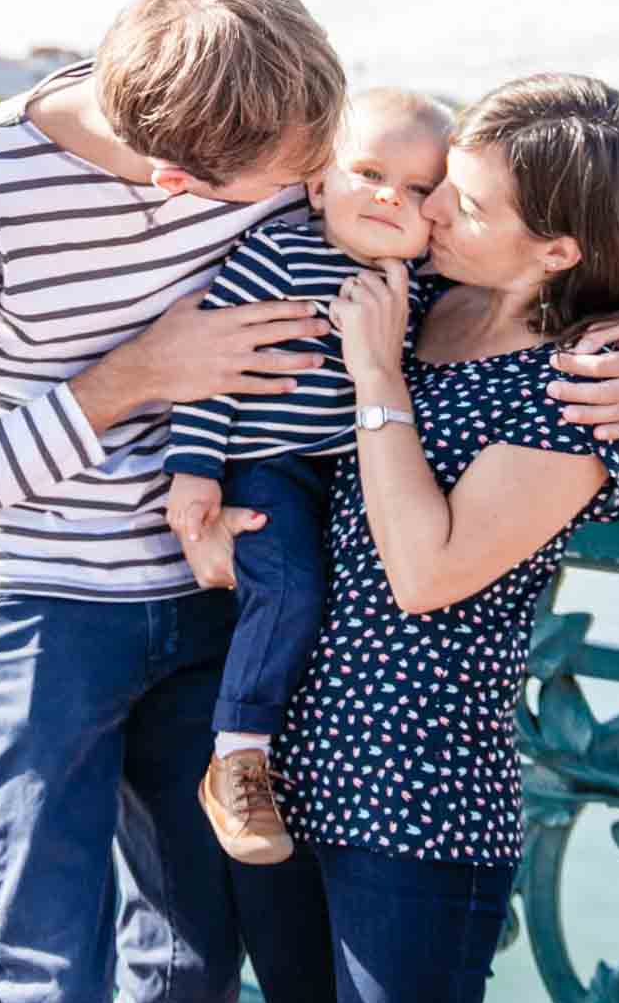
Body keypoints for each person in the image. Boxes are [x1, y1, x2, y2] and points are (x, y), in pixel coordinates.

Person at [0, 0, 619, 1003]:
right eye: (298, 180)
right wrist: (141, 370)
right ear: (177, 181)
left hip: (232, 615)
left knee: (190, 970)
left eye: (324, 169)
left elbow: (505, 266)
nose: (331, 197)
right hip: (44, 607)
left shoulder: (270, 126)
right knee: (48, 975)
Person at [273, 72, 619, 1003]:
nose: (429, 213)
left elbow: (427, 572)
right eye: (438, 188)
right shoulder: (424, 290)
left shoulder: (579, 387)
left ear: (557, 250)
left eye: (463, 204)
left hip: (417, 791)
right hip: (283, 756)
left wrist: (376, 371)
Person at [162, 89, 452, 865]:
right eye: (369, 172)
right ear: (319, 185)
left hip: (358, 477)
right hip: (267, 467)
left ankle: (311, 764)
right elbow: (208, 365)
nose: (393, 195)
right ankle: (237, 756)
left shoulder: (424, 286)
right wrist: (193, 471)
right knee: (290, 585)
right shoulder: (279, 254)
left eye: (420, 189)